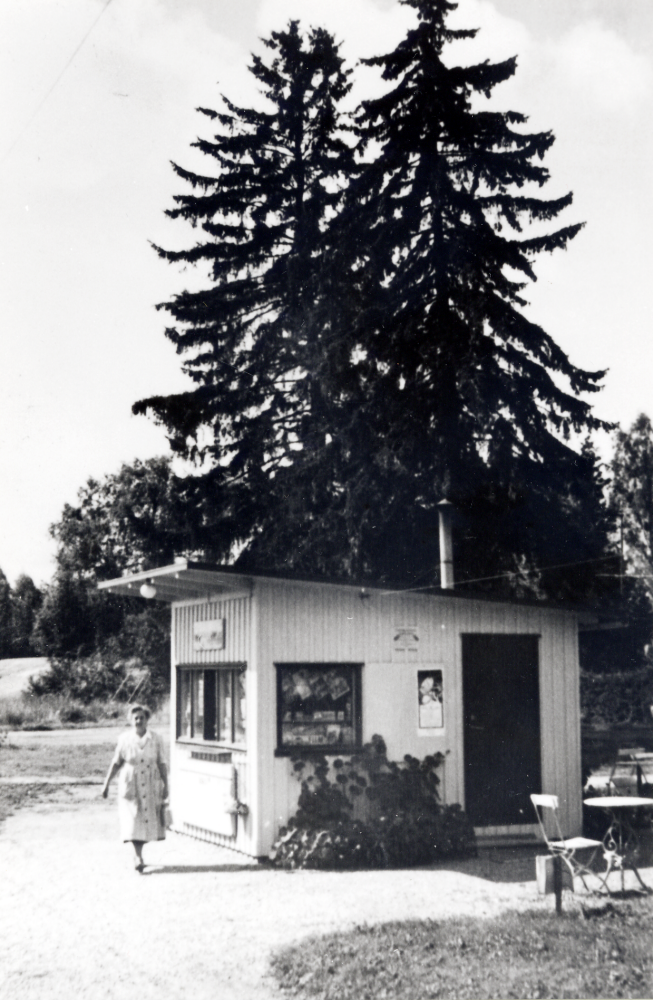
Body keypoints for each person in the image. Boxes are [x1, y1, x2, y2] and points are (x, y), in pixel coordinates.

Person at [102, 704, 169, 872]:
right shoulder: (124, 739)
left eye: (142, 718)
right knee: (133, 821)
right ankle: (138, 856)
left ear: (147, 720)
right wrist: (106, 784)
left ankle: (139, 854)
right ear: (131, 721)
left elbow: (162, 763)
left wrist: (166, 784)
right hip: (131, 783)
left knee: (146, 821)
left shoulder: (156, 739)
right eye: (135, 718)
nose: (139, 721)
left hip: (151, 782)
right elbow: (116, 762)